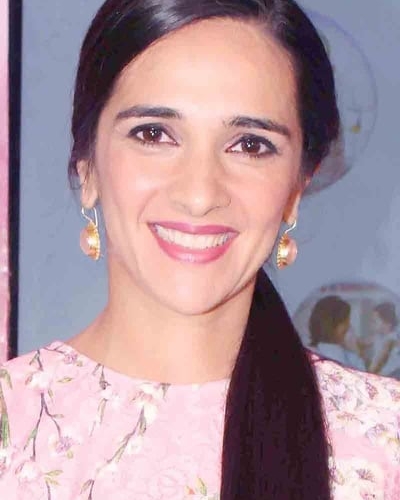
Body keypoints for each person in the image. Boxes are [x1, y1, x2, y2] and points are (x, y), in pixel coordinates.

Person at [0, 1, 399, 498]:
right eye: (154, 134)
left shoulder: (385, 445)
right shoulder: (12, 427)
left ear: (297, 188)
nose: (199, 193)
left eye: (250, 145)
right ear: (87, 167)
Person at [308, 295, 365, 370]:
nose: (348, 326)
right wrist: (357, 353)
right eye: (345, 322)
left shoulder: (310, 352)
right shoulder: (350, 358)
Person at [368, 302, 400, 376]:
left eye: (374, 321)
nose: (371, 324)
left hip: (392, 373)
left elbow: (381, 359)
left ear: (387, 324)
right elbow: (366, 342)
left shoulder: (392, 338)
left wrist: (371, 372)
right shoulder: (379, 336)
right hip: (383, 372)